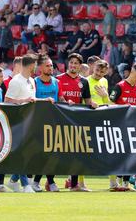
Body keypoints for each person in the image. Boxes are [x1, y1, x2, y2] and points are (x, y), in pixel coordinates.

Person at [57, 53, 95, 192]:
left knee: (76, 152)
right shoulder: (58, 79)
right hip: (59, 120)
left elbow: (87, 101)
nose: (73, 65)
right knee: (56, 152)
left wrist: (93, 104)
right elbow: (56, 98)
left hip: (76, 121)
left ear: (80, 66)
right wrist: (65, 103)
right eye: (71, 62)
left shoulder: (84, 81)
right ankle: (48, 181)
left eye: (76, 63)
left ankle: (74, 185)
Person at [4, 54, 38, 193]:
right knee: (22, 153)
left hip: (29, 120)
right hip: (17, 121)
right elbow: (7, 100)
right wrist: (23, 100)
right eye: (35, 64)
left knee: (28, 153)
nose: (35, 67)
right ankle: (26, 185)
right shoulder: (15, 81)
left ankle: (13, 180)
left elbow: (32, 99)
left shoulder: (31, 80)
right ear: (31, 65)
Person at [109, 63, 136, 191]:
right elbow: (110, 103)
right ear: (131, 72)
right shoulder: (119, 86)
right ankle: (116, 183)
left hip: (133, 127)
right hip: (119, 126)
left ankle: (126, 184)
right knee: (119, 155)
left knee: (130, 156)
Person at [32, 55, 64, 192]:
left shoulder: (56, 82)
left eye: (51, 65)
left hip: (53, 122)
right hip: (37, 123)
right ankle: (44, 182)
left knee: (52, 155)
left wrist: (67, 103)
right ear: (40, 68)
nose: (50, 68)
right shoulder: (34, 82)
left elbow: (60, 98)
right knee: (40, 154)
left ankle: (41, 182)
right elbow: (31, 100)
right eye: (47, 65)